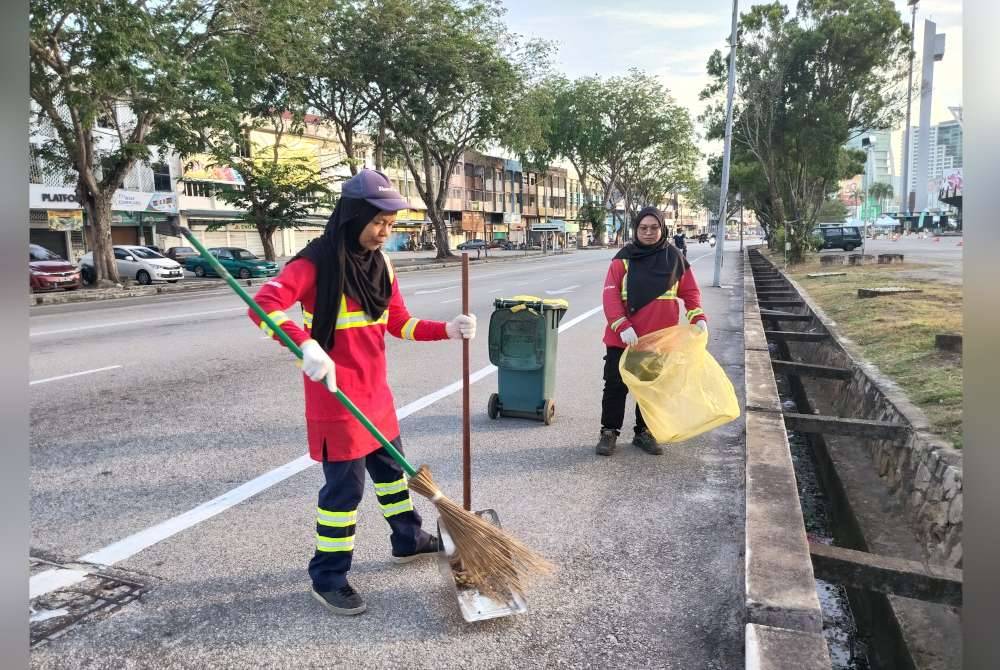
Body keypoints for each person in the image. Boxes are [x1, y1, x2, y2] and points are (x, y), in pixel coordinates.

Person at [247, 169, 477, 616]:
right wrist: (304, 344)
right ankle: (328, 577)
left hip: (376, 396)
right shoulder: (314, 264)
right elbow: (263, 304)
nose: (384, 232)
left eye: (390, 224)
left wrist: (447, 329)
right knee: (343, 496)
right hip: (335, 399)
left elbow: (398, 322)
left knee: (392, 477)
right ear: (354, 217)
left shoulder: (382, 265)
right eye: (378, 223)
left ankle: (408, 539)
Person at [596, 206, 708, 457]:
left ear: (662, 229)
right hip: (623, 339)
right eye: (643, 228)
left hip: (659, 340)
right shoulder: (623, 259)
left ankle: (644, 432)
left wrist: (698, 316)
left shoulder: (675, 258)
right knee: (615, 386)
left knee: (652, 388)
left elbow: (690, 292)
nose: (648, 232)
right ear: (636, 229)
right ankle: (609, 432)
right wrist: (622, 325)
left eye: (654, 228)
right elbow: (610, 296)